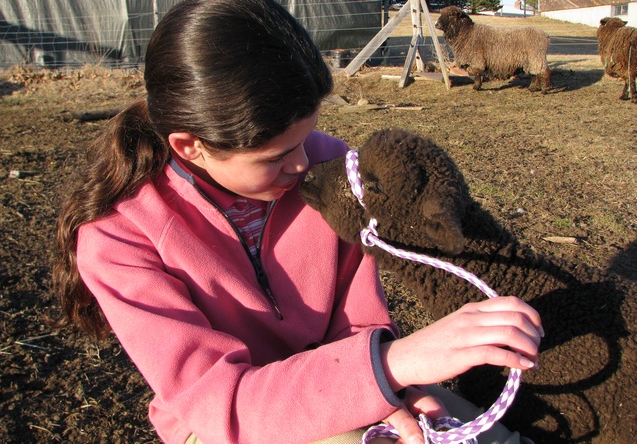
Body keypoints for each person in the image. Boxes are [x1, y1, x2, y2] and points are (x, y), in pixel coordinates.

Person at [52, 0, 543, 443]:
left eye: (307, 138)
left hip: (348, 377)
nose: (306, 164)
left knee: (491, 435)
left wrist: (396, 389)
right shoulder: (119, 238)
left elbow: (360, 322)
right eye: (276, 156)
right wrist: (394, 366)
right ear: (190, 146)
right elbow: (221, 404)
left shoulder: (328, 167)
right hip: (225, 425)